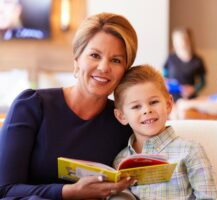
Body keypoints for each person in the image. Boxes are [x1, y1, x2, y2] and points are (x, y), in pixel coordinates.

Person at [0, 12, 138, 199]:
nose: (104, 67)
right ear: (77, 60)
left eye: (116, 60)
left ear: (125, 71)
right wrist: (70, 192)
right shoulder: (32, 106)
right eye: (95, 55)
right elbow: (5, 189)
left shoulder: (122, 122)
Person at [113, 65, 217, 199]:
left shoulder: (190, 150)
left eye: (153, 102)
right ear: (121, 116)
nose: (147, 110)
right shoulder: (120, 161)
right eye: (136, 106)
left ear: (168, 105)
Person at [163, 27, 206, 102]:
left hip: (189, 100)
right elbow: (163, 76)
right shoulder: (170, 58)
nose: (178, 43)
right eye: (175, 41)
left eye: (181, 40)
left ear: (188, 40)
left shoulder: (197, 61)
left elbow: (202, 82)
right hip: (171, 100)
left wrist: (193, 89)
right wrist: (166, 83)